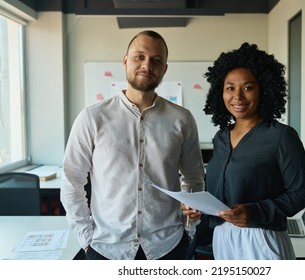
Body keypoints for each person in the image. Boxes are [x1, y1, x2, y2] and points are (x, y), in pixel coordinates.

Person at [60, 30, 205, 260]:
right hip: (106, 248)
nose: (147, 65)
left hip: (168, 247)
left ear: (164, 68)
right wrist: (86, 239)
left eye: (156, 60)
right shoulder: (92, 118)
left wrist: (189, 228)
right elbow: (71, 181)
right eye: (139, 57)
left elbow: (194, 180)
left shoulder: (182, 119)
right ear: (125, 61)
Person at [186, 42, 305, 260]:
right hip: (222, 238)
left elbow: (299, 194)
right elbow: (220, 190)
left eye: (248, 87)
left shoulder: (281, 136)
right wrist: (199, 208)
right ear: (220, 93)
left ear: (264, 89)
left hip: (262, 239)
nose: (238, 96)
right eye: (230, 88)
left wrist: (254, 212)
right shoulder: (221, 137)